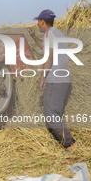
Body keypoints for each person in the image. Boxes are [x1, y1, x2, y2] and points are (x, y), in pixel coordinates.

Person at [27, 9, 78, 152]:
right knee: (57, 113)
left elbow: (48, 57)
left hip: (55, 79)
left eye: (38, 21)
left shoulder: (50, 35)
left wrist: (42, 79)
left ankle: (70, 144)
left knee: (50, 115)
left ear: (42, 22)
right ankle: (62, 143)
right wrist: (33, 37)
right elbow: (46, 48)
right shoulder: (57, 33)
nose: (37, 23)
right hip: (64, 80)